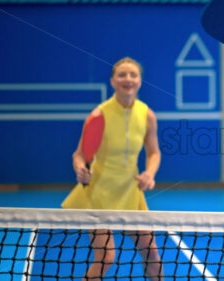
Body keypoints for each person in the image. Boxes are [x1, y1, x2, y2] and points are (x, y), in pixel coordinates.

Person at [62, 57, 164, 281]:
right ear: (113, 81)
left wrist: (149, 173)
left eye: (133, 75)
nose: (128, 79)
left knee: (153, 255)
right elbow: (79, 155)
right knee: (106, 258)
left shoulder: (147, 115)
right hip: (100, 193)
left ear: (140, 81)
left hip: (130, 193)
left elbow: (154, 152)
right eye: (122, 75)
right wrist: (80, 169)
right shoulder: (99, 115)